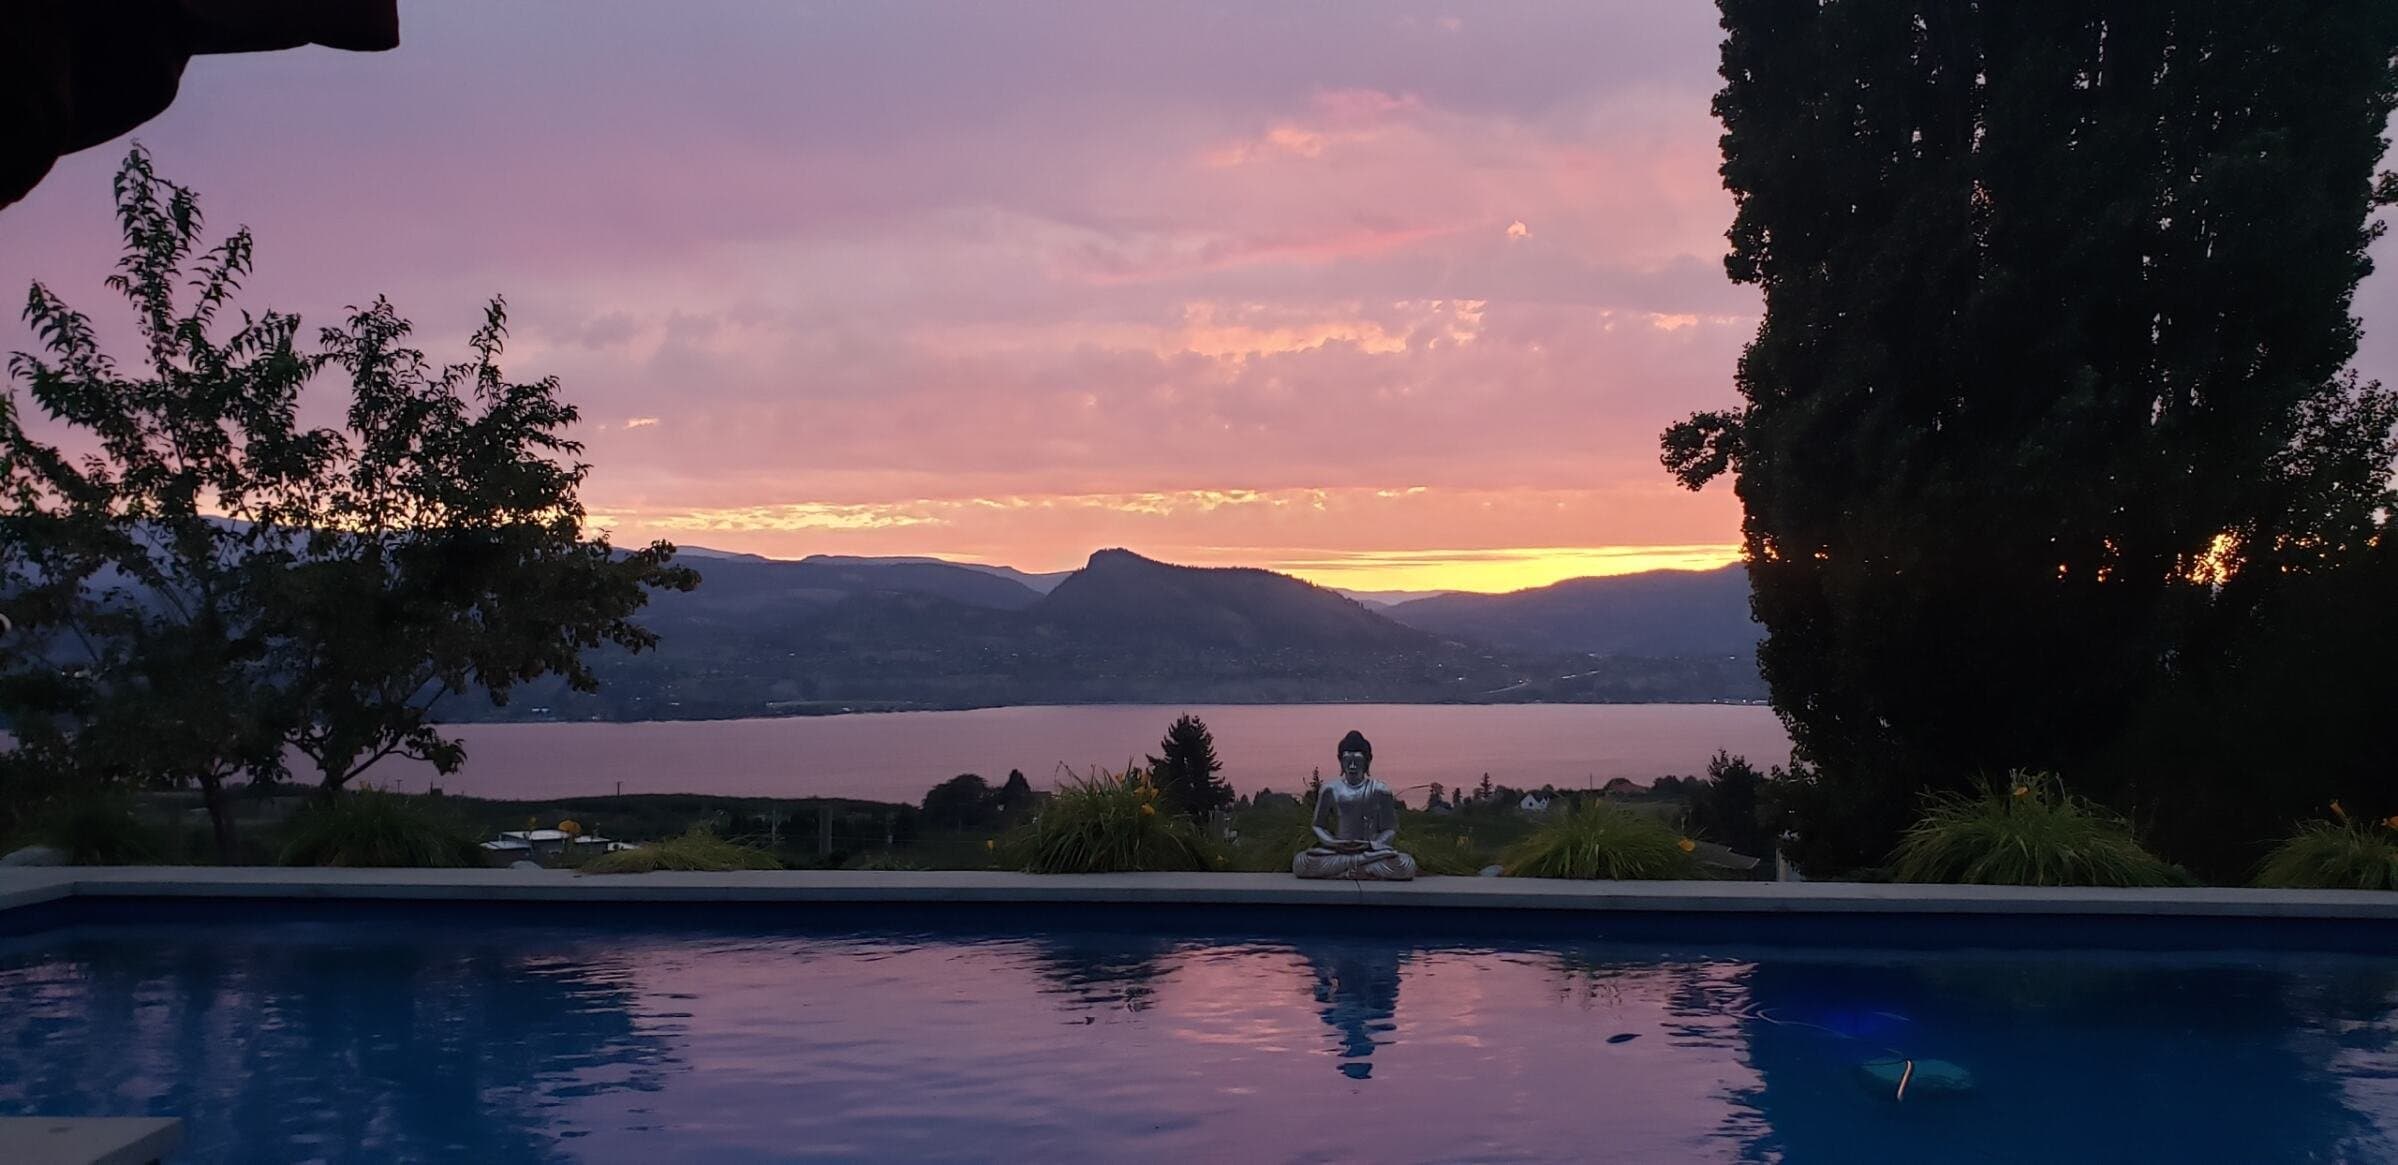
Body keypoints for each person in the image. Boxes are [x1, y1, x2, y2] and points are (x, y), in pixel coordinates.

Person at [1292, 730, 1417, 880]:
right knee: (1302, 862)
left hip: (1369, 851)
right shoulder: (1330, 789)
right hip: (1339, 851)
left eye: (1357, 761)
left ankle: (1347, 871)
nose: (1352, 766)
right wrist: (1333, 843)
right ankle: (1362, 871)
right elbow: (1318, 825)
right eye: (1347, 761)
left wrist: (1371, 844)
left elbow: (1390, 829)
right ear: (1340, 761)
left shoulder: (1380, 790)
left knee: (1405, 865)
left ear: (1367, 761)